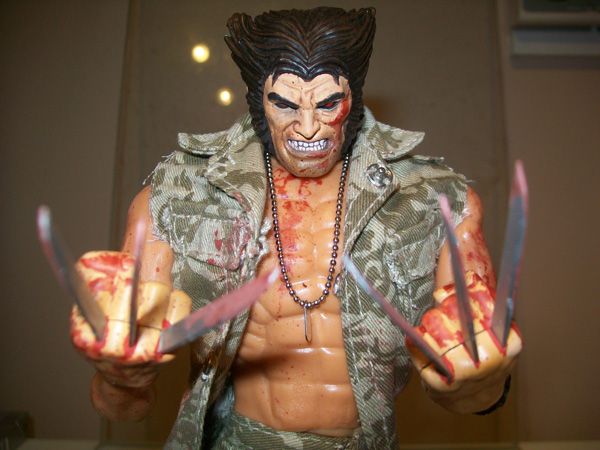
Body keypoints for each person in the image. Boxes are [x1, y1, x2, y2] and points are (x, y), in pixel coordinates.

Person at [71, 7, 522, 449]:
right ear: (258, 101)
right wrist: (121, 377)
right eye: (284, 104)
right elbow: (123, 408)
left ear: (354, 96)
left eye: (328, 103)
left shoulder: (437, 201)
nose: (308, 127)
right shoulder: (177, 194)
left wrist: (479, 382)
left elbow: (472, 385)